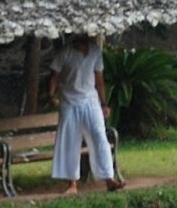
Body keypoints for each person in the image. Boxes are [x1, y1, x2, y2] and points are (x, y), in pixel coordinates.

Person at [47, 34, 124, 195]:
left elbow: (99, 80)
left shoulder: (95, 51)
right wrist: (52, 95)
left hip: (90, 100)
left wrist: (104, 104)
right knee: (70, 140)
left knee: (99, 136)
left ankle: (109, 179)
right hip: (69, 100)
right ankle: (72, 184)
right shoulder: (66, 52)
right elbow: (54, 75)